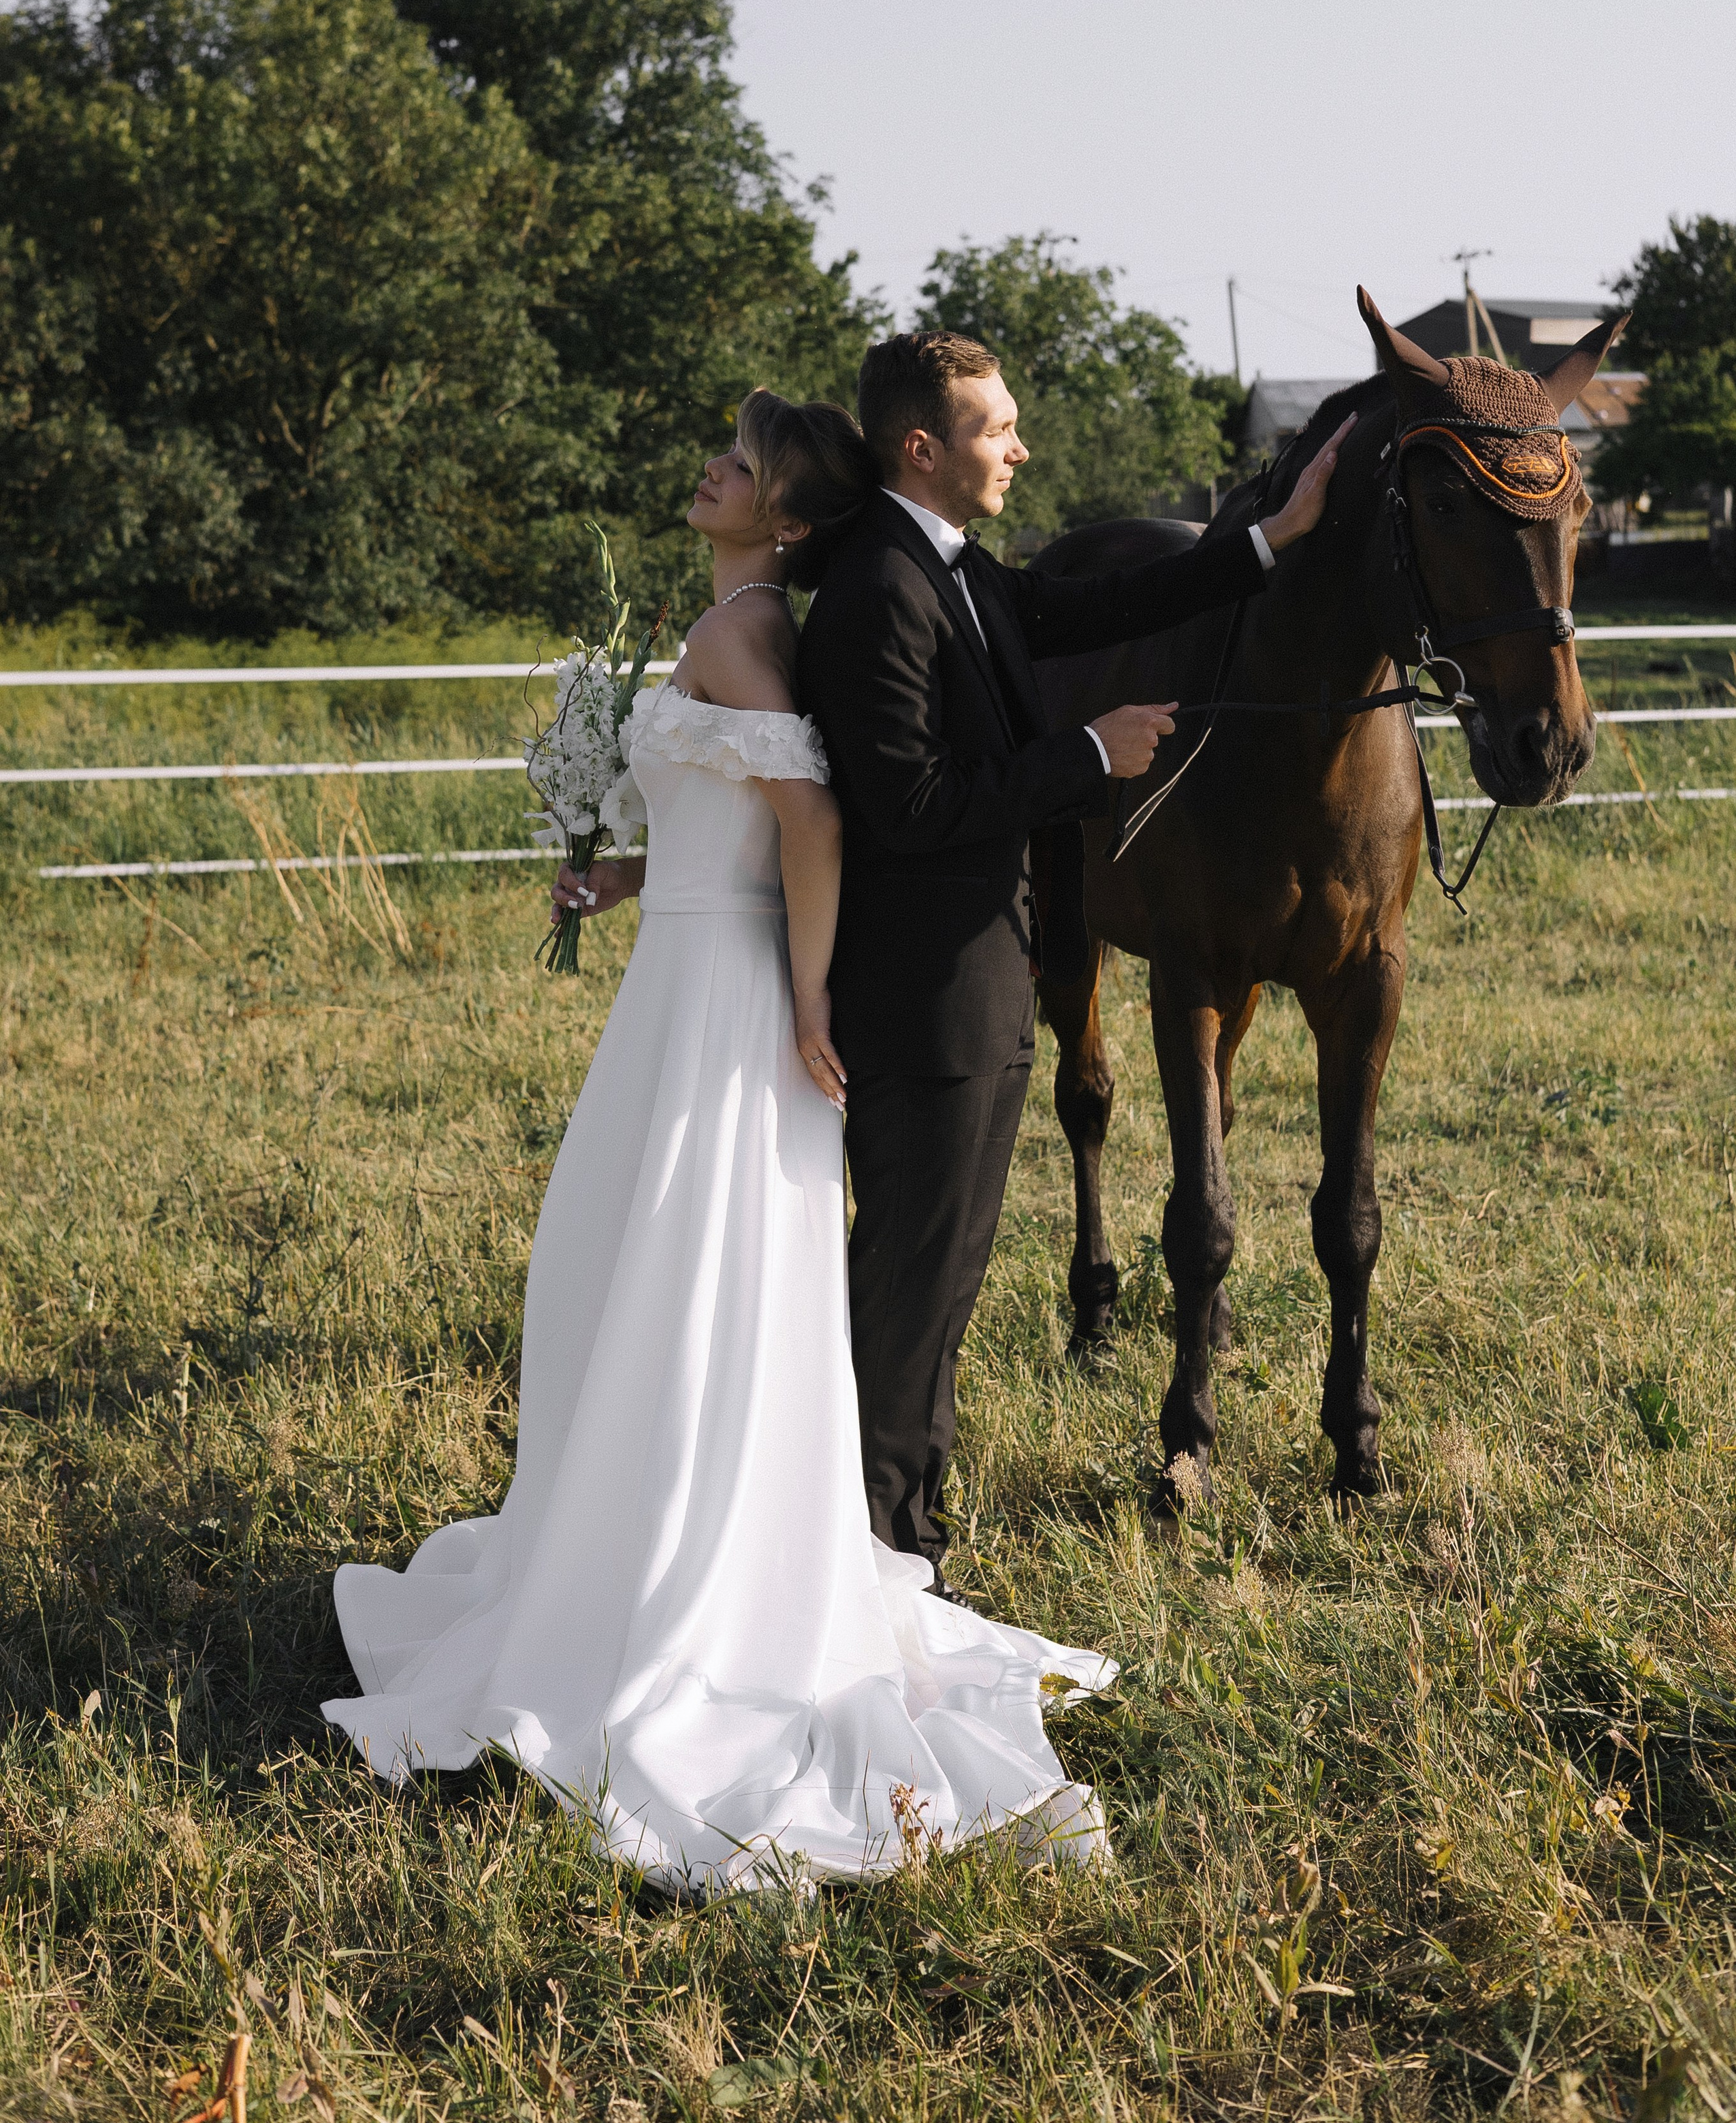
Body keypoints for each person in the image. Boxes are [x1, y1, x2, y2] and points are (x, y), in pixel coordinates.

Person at [321, 389, 1118, 1893]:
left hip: (731, 995)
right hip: (676, 970)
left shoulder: (744, 633)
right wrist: (627, 871)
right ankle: (617, 1539)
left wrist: (806, 986)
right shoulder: (732, 630)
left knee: (683, 1277)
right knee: (623, 1264)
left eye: (740, 465)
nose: (712, 468)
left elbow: (811, 824)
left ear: (786, 519)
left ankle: (672, 1587)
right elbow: (736, 814)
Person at [796, 331, 1350, 1594]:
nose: (1021, 448)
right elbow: (916, 808)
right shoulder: (880, 587)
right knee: (903, 1296)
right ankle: (864, 1561)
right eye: (999, 430)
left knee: (942, 1297)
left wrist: (1273, 540)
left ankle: (905, 1549)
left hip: (979, 992)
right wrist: (1091, 758)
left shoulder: (950, 567)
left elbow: (1097, 604)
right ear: (923, 448)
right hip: (920, 999)